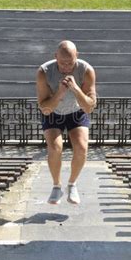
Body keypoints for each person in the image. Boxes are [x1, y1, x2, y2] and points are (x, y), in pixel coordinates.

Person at [36, 40, 97, 205]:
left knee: (82, 147)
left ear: (77, 56)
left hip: (76, 111)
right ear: (55, 57)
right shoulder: (44, 72)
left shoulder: (86, 70)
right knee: (55, 148)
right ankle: (56, 186)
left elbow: (90, 107)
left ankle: (72, 184)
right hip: (53, 112)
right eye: (62, 63)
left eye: (70, 63)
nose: (66, 67)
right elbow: (45, 108)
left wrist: (76, 89)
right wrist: (60, 93)